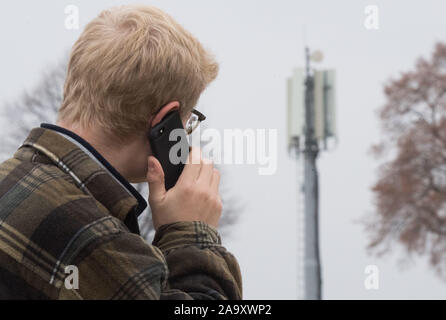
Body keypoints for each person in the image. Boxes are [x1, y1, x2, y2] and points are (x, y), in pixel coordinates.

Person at [0, 4, 242, 300]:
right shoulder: (93, 238)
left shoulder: (11, 181)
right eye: (188, 123)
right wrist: (192, 233)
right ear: (164, 122)